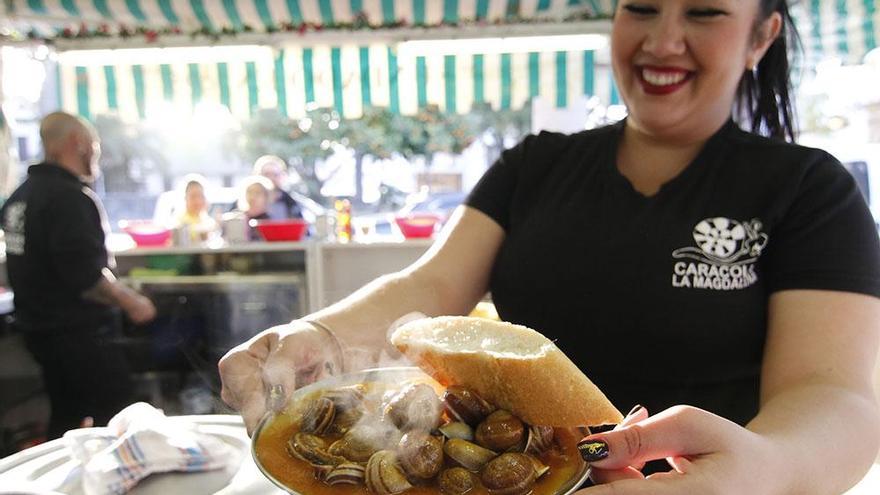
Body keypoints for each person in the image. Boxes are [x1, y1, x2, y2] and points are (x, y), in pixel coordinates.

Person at [218, 1, 880, 493]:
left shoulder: (809, 189)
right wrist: (320, 337)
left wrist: (770, 468)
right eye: (640, 8)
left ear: (761, 35)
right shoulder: (534, 166)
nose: (661, 40)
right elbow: (429, 289)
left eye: (704, 12)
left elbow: (834, 394)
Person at [1, 112, 157, 439]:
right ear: (78, 143)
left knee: (67, 413)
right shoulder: (68, 198)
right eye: (95, 145)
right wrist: (133, 302)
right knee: (120, 421)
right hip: (79, 335)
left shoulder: (19, 198)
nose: (97, 154)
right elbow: (85, 277)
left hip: (39, 332)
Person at [253, 155, 303, 220]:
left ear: (283, 176)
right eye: (266, 174)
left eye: (275, 175)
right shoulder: (248, 203)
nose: (271, 178)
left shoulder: (292, 203)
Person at [172, 174, 218, 242]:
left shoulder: (205, 218)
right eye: (193, 196)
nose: (198, 201)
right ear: (185, 198)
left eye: (201, 196)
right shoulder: (179, 220)